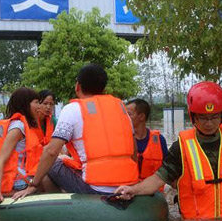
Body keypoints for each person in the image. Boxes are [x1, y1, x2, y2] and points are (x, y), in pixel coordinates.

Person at [116, 81, 222, 218]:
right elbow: (158, 179)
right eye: (203, 118)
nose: (209, 123)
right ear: (193, 117)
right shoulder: (181, 146)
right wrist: (133, 189)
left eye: (214, 117)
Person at [14, 63, 139, 198]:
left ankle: (59, 206)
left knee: (53, 163)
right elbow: (134, 151)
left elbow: (51, 152)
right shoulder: (121, 109)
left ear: (77, 86)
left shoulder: (73, 109)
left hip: (95, 187)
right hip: (127, 186)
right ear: (104, 87)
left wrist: (33, 184)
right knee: (65, 159)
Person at [0, 87, 43, 205]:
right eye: (36, 102)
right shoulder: (18, 127)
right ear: (25, 104)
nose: (39, 106)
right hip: (19, 182)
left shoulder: (26, 125)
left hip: (23, 179)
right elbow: (1, 159)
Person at [125, 99, 169, 182]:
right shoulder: (123, 141)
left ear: (141, 116)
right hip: (130, 191)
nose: (125, 117)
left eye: (129, 114)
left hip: (155, 193)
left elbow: (168, 170)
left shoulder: (160, 140)